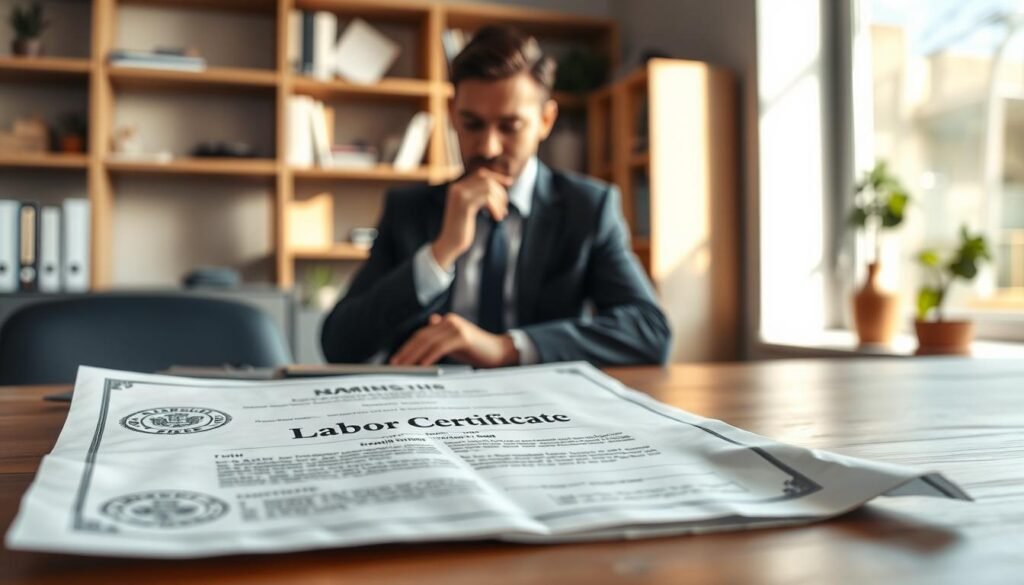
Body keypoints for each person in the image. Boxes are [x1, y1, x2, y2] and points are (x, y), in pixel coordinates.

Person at [321, 25, 670, 368]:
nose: (487, 147)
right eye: (472, 124)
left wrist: (506, 348)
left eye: (509, 127)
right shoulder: (408, 209)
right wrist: (440, 253)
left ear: (546, 121)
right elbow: (338, 344)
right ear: (453, 114)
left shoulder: (587, 208)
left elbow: (650, 331)